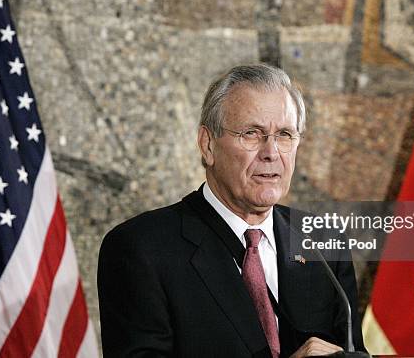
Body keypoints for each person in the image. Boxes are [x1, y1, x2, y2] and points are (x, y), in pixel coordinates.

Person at [98, 64, 365, 357]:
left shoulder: (324, 243)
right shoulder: (142, 249)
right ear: (208, 144)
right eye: (252, 133)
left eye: (285, 135)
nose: (271, 153)